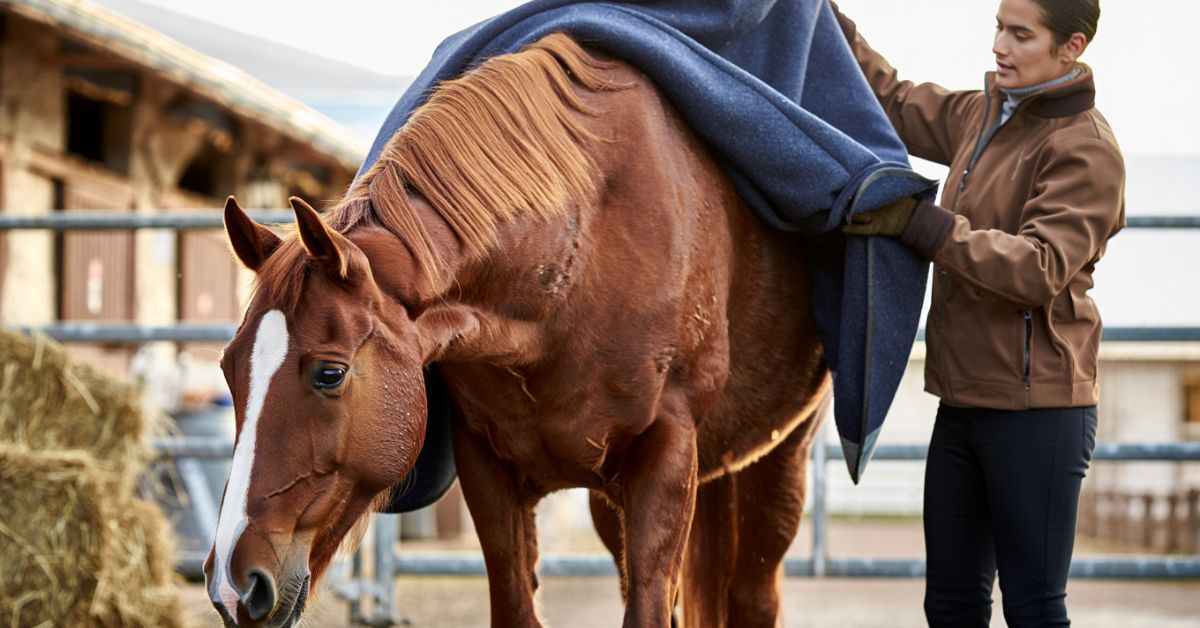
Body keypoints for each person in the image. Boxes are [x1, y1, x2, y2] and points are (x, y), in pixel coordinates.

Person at [831, 0, 1124, 626]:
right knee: (952, 604)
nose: (1000, 46)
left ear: (1071, 46)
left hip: (1038, 414)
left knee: (1034, 610)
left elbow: (1039, 268)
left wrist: (924, 224)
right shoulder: (981, 112)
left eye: (1021, 35)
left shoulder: (1088, 150)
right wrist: (824, 19)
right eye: (999, 27)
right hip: (962, 404)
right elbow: (893, 99)